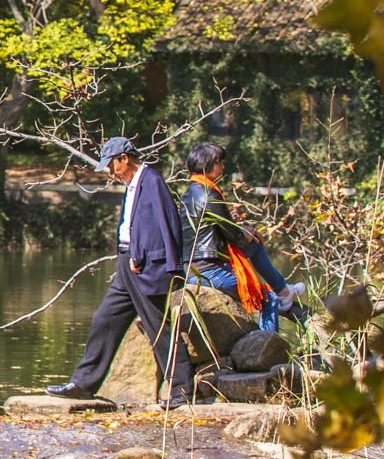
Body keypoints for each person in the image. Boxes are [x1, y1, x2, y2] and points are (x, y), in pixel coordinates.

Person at [45, 136, 194, 408]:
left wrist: (151, 260)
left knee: (158, 328)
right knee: (105, 319)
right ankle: (83, 383)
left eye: (112, 166)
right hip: (128, 264)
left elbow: (165, 224)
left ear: (125, 158)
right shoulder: (134, 183)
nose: (111, 173)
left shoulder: (152, 181)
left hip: (146, 266)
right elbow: (136, 224)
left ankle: (182, 390)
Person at [181, 142, 304, 331]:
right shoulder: (209, 195)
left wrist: (247, 233)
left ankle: (283, 290)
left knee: (254, 244)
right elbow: (234, 236)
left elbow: (223, 232)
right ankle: (267, 349)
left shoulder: (189, 193)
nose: (222, 167)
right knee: (268, 299)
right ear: (209, 164)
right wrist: (250, 232)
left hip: (195, 268)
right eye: (219, 162)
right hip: (209, 272)